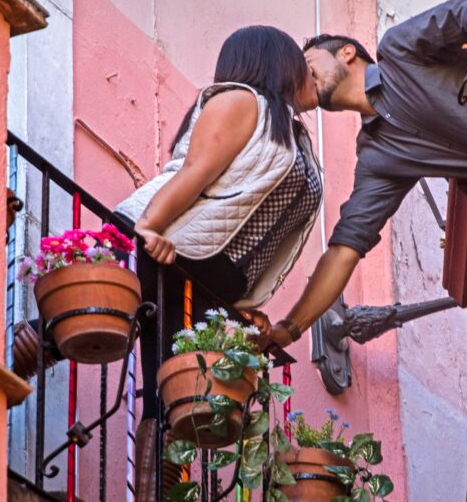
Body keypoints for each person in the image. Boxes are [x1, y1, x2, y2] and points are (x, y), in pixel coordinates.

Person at [109, 25, 321, 500]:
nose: (313, 77)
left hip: (208, 269)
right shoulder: (241, 101)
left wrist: (242, 302)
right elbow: (197, 170)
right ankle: (26, 350)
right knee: (163, 378)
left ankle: (158, 489)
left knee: (178, 392)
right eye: (303, 67)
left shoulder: (291, 132)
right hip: (168, 245)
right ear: (278, 63)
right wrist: (151, 226)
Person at [254, 0, 467, 352]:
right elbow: (344, 249)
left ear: (347, 53)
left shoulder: (399, 49)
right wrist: (289, 330)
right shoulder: (377, 158)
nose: (297, 75)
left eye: (307, 62)